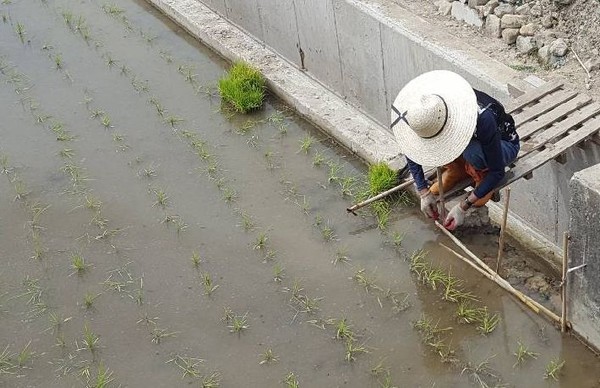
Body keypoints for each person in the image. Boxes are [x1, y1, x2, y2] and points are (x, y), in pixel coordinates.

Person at [390, 70, 519, 231]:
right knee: (434, 146)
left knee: (473, 153)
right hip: (470, 137)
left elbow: (497, 171)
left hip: (502, 143)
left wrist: (463, 207)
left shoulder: (483, 118)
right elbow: (411, 147)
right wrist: (423, 191)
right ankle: (459, 169)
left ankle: (479, 172)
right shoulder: (423, 107)